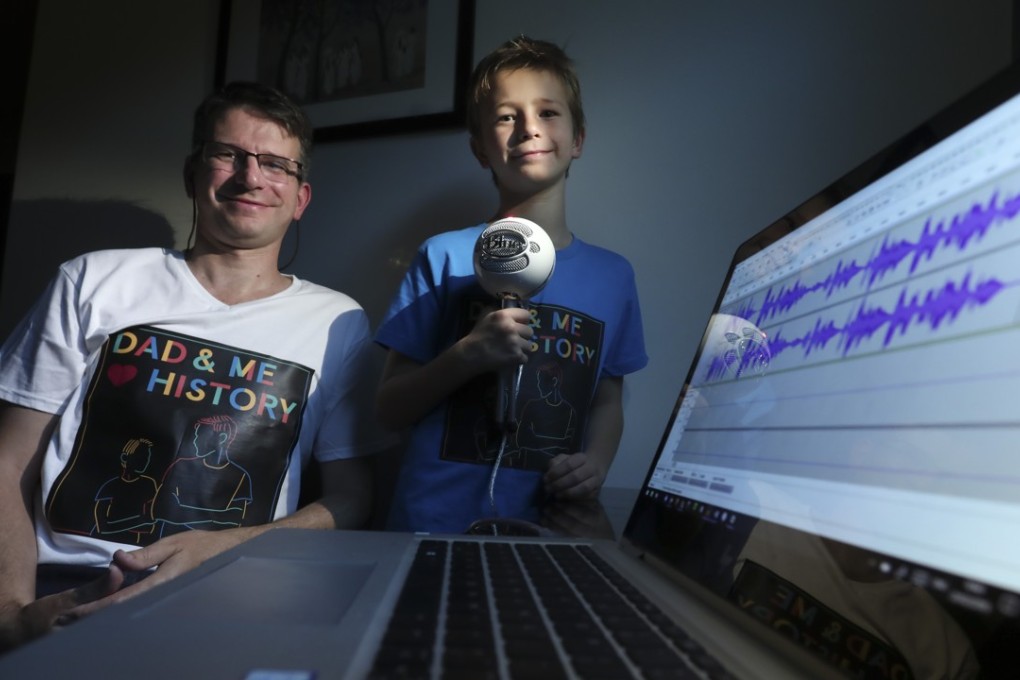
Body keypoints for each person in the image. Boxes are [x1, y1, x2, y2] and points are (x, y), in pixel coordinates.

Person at [0, 81, 387, 651]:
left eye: (275, 164)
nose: (250, 177)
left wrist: (224, 546)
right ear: (193, 173)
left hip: (237, 594)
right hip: (72, 589)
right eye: (228, 154)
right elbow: (8, 460)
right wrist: (13, 615)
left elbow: (351, 497)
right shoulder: (92, 280)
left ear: (300, 197)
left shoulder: (338, 321)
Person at [374, 36, 648, 532]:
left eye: (548, 112)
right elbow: (389, 408)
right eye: (506, 116)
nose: (528, 128)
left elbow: (608, 399)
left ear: (578, 138)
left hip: (550, 528)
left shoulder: (614, 276)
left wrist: (598, 463)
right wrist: (467, 355)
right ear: (480, 148)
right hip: (431, 525)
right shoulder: (444, 256)